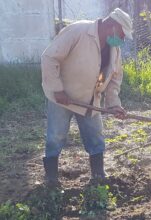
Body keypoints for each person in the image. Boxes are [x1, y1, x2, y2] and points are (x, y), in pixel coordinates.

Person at [41, 8, 132, 185]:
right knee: (55, 136)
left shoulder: (115, 48)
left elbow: (114, 77)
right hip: (63, 98)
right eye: (121, 35)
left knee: (95, 138)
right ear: (111, 26)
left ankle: (98, 176)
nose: (121, 40)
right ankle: (51, 179)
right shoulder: (78, 31)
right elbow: (49, 57)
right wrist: (57, 89)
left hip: (90, 100)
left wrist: (113, 104)